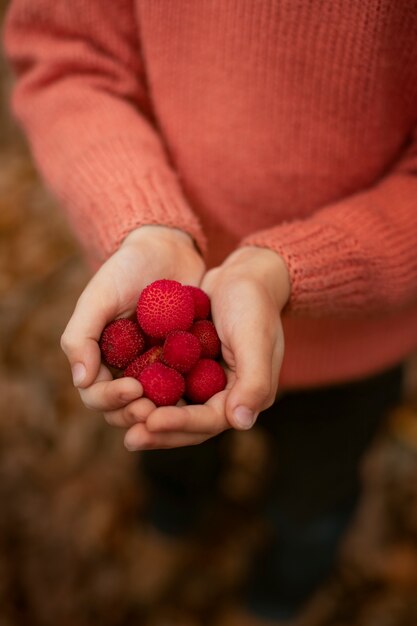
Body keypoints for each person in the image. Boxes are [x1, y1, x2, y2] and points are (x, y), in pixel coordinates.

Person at [4, 1, 417, 623]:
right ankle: (172, 519)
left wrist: (281, 267)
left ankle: (281, 594)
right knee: (171, 447)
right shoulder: (170, 346)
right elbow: (69, 60)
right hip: (180, 296)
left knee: (314, 498)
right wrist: (143, 224)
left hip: (357, 345)